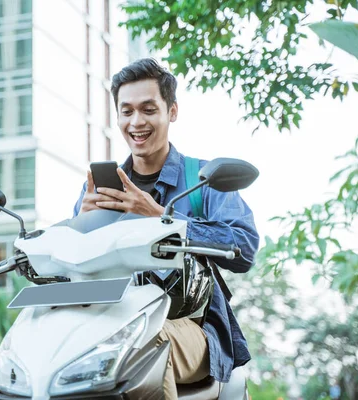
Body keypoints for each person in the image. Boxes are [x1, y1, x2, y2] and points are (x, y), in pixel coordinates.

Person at [72, 58, 259, 400]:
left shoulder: (203, 180)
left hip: (192, 330)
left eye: (148, 109)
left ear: (171, 111)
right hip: (109, 324)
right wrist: (81, 225)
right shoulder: (103, 189)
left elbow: (244, 247)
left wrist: (160, 217)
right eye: (126, 111)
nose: (136, 122)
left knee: (145, 339)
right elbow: (72, 267)